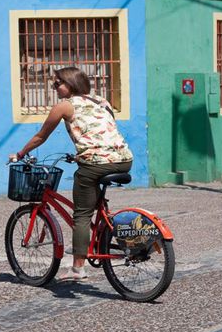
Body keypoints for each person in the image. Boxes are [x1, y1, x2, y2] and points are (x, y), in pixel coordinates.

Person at [9, 66, 133, 281]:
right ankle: (105, 232)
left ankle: (77, 268)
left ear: (71, 84)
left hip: (97, 164)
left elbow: (41, 136)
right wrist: (81, 155)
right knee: (94, 205)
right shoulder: (101, 101)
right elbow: (104, 133)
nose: (54, 87)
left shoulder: (64, 106)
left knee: (82, 215)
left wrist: (20, 154)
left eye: (58, 83)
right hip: (124, 160)